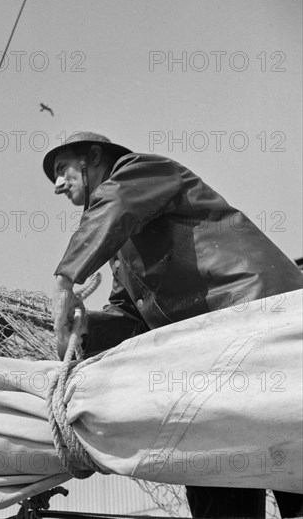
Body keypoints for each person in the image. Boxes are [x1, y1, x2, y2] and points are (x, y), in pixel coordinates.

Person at [44, 131, 303, 518]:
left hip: (256, 320)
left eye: (62, 169)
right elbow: (132, 316)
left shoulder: (141, 171)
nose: (58, 185)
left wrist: (66, 280)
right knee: (213, 476)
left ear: (94, 157)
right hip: (207, 363)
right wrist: (86, 330)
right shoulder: (119, 247)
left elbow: (116, 204)